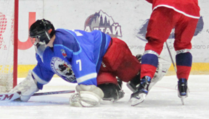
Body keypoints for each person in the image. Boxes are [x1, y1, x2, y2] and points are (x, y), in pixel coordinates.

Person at [12, 19, 160, 106]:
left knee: (136, 82)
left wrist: (87, 87)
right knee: (107, 93)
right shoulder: (44, 52)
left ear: (46, 35)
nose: (35, 42)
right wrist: (28, 87)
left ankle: (153, 65)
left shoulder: (66, 42)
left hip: (109, 51)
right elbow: (43, 70)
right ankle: (116, 83)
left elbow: (81, 59)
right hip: (97, 67)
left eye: (37, 38)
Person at [131, 0, 200, 104]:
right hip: (192, 9)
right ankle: (183, 85)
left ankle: (144, 84)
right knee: (183, 47)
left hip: (168, 5)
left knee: (154, 45)